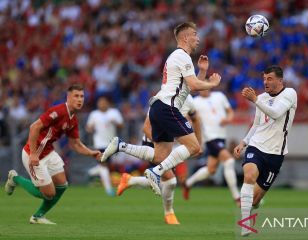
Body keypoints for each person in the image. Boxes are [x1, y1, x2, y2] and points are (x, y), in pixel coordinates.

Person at [101, 22, 221, 196]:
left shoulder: (178, 56)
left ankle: (121, 145)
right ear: (186, 37)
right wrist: (212, 83)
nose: (198, 38)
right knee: (194, 147)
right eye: (195, 34)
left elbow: (188, 87)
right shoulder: (182, 55)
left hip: (159, 107)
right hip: (168, 107)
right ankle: (155, 172)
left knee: (160, 156)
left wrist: (202, 72)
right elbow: (194, 86)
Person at [4, 84, 102, 225]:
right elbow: (34, 127)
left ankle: (38, 216)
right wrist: (33, 154)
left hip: (48, 152)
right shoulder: (58, 111)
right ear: (68, 97)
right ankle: (15, 178)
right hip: (34, 153)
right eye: (76, 96)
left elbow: (75, 144)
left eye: (82, 96)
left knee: (62, 185)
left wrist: (91, 153)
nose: (80, 99)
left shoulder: (73, 119)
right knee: (49, 193)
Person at [111, 94, 202, 224]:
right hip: (152, 143)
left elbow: (197, 119)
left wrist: (198, 143)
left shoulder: (189, 100)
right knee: (170, 181)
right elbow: (146, 128)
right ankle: (169, 213)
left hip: (167, 147)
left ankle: (130, 180)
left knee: (162, 180)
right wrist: (161, 147)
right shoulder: (163, 98)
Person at [233, 66, 297, 236]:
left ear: (280, 81)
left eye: (269, 78)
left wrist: (255, 100)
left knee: (254, 200)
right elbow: (257, 125)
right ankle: (245, 225)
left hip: (276, 153)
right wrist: (244, 142)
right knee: (249, 175)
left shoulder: (290, 94)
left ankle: (252, 204)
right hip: (256, 146)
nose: (265, 82)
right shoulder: (261, 98)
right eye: (264, 78)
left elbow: (276, 113)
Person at [183, 89, 240, 207]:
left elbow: (230, 111)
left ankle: (188, 183)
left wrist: (228, 119)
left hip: (221, 136)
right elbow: (188, 118)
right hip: (209, 138)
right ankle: (237, 197)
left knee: (211, 170)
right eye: (202, 87)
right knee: (229, 161)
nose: (204, 89)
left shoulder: (219, 95)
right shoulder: (195, 101)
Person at [86, 96, 124, 196]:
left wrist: (114, 122)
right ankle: (108, 189)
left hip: (112, 143)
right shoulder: (94, 114)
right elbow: (88, 128)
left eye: (103, 102)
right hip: (99, 143)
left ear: (108, 103)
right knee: (103, 164)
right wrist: (90, 129)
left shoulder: (114, 113)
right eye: (100, 102)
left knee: (107, 166)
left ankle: (91, 172)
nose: (101, 104)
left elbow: (121, 125)